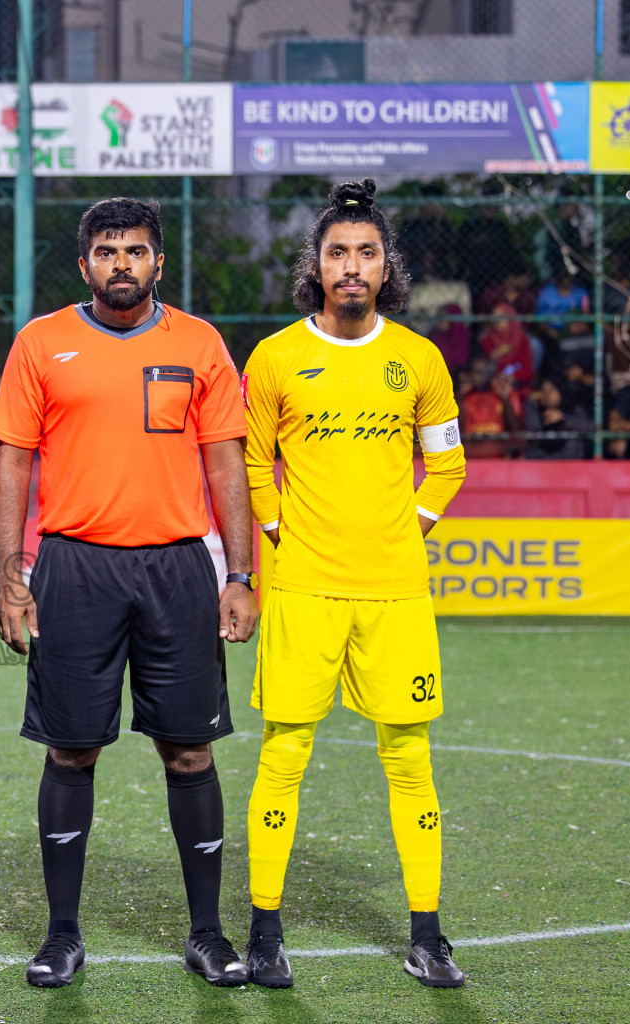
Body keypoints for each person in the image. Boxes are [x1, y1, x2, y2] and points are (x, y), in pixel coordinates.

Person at [0, 197, 258, 989]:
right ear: (85, 265)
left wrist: (240, 574)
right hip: (75, 566)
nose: (122, 264)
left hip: (178, 566)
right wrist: (10, 573)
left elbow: (226, 467)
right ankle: (62, 934)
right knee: (72, 749)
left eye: (136, 251)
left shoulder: (200, 342)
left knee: (189, 748)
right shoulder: (41, 343)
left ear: (158, 263)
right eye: (107, 252)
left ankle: (207, 933)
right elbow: (11, 462)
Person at [242, 179, 468, 991]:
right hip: (304, 588)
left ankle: (428, 935)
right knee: (285, 753)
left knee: (408, 756)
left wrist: (411, 526)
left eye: (366, 252)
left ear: (385, 265)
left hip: (397, 589)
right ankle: (264, 932)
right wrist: (275, 533)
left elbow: (447, 463)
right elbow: (249, 462)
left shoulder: (418, 358)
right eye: (338, 252)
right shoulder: (275, 358)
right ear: (317, 264)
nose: (351, 266)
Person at [460, 356, 522, 459]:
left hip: (497, 458)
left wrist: (504, 399)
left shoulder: (503, 396)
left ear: (492, 374)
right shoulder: (465, 397)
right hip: (470, 457)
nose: (477, 377)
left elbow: (515, 429)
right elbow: (458, 429)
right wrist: (460, 397)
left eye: (482, 372)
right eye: (475, 372)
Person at [524, 377, 592, 459]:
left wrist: (562, 417)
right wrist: (530, 403)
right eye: (543, 391)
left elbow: (588, 427)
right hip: (542, 463)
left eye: (551, 390)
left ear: (560, 390)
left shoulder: (573, 409)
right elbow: (532, 432)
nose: (547, 395)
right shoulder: (538, 409)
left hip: (570, 464)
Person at [476, 301, 535, 388]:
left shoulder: (523, 341)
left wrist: (512, 377)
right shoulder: (486, 340)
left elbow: (527, 370)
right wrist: (493, 356)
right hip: (493, 384)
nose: (498, 322)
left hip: (517, 384)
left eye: (502, 317)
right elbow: (480, 369)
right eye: (495, 318)